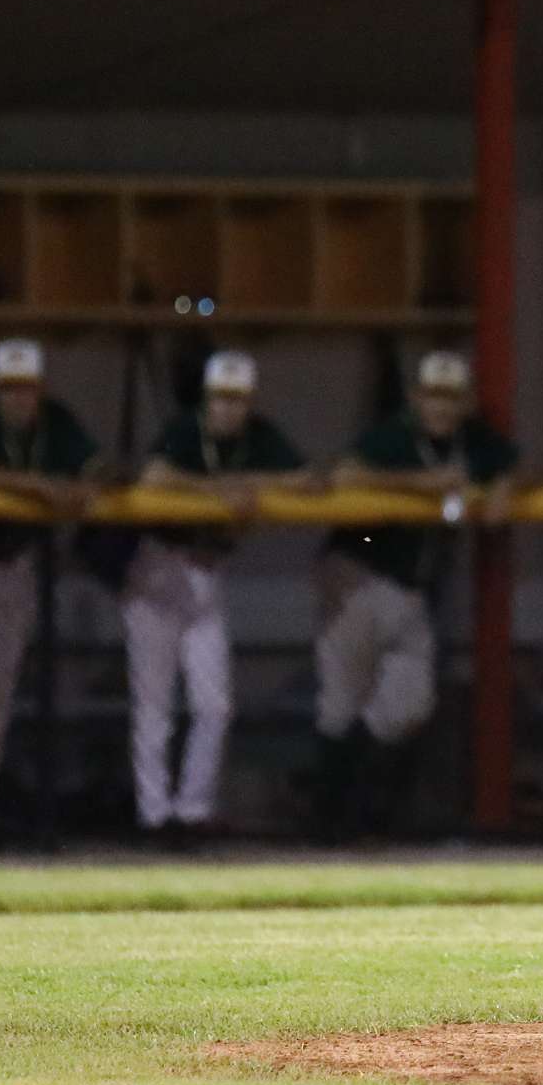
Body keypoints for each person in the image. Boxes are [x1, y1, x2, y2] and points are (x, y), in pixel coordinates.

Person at [313, 351, 518, 837]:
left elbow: (517, 464)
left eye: (451, 396)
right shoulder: (395, 436)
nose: (441, 406)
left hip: (411, 589)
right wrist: (423, 484)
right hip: (358, 572)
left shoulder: (474, 439)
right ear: (416, 398)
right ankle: (327, 823)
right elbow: (343, 475)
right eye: (433, 395)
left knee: (409, 706)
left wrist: (503, 488)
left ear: (466, 401)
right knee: (341, 703)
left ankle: (355, 807)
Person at [126, 350, 316, 844]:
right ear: (207, 399)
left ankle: (192, 813)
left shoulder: (258, 436)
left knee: (215, 704)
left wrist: (244, 483)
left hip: (207, 572)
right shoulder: (185, 429)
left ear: (249, 402)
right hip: (158, 567)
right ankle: (154, 817)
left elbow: (308, 481)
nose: (227, 408)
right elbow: (153, 477)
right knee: (154, 706)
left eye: (237, 399)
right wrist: (216, 492)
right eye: (220, 398)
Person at [0, 339, 98, 844]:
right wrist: (38, 486)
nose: (18, 397)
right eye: (9, 388)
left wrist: (81, 485)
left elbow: (96, 468)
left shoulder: (55, 423)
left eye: (26, 388)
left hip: (14, 568)